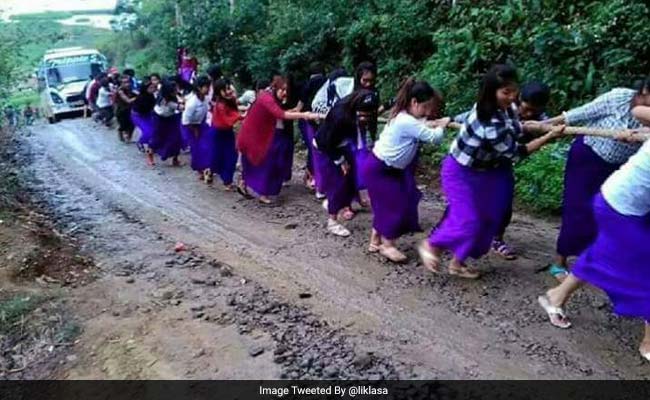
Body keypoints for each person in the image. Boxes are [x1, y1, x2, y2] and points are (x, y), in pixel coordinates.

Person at [419, 64, 565, 279]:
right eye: (506, 92)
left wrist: (541, 125)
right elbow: (516, 153)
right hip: (460, 172)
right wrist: (547, 138)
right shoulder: (488, 121)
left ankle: (458, 262)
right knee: (468, 219)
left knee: (489, 218)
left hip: (486, 171)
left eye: (514, 90)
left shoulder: (505, 109)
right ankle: (432, 245)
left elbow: (516, 127)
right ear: (491, 91)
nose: (512, 96)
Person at [537, 105, 650, 362]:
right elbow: (639, 109)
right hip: (619, 205)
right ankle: (648, 343)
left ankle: (556, 296)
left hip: (623, 204)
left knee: (603, 251)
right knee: (645, 269)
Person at [543, 77, 650, 281]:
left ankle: (591, 265)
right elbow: (579, 114)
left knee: (603, 215)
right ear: (644, 90)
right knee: (577, 209)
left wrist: (635, 133)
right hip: (587, 158)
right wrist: (543, 124)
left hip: (620, 169)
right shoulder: (618, 98)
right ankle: (560, 261)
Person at [455, 80, 552, 260]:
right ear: (519, 99)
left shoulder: (542, 119)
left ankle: (497, 238)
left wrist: (544, 131)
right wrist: (451, 120)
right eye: (526, 108)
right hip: (483, 162)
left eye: (534, 111)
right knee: (466, 199)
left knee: (504, 202)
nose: (529, 113)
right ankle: (445, 233)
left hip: (503, 162)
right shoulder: (502, 108)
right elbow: (470, 116)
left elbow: (541, 132)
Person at [362, 78, 450, 262]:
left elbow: (422, 125)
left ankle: (375, 241)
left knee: (390, 202)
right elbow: (434, 138)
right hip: (380, 168)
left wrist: (430, 122)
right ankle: (388, 245)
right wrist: (442, 125)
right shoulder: (405, 121)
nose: (428, 112)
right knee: (395, 205)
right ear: (414, 102)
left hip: (388, 169)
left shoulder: (406, 116)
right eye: (425, 107)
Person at [236, 74, 319, 204]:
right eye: (282, 90)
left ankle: (246, 182)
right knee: (266, 163)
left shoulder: (270, 98)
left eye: (286, 90)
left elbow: (280, 113)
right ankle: (262, 193)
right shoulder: (266, 98)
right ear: (275, 88)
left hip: (263, 135)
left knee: (269, 162)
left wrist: (298, 112)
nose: (284, 93)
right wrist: (303, 114)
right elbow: (281, 114)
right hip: (255, 137)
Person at [313, 89, 379, 237]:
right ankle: (332, 221)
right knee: (338, 183)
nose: (364, 118)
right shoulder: (340, 116)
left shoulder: (354, 113)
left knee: (350, 179)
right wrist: (340, 161)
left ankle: (336, 204)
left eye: (367, 116)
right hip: (327, 149)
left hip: (343, 146)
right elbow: (325, 143)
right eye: (362, 115)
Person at [297, 62, 327, 191]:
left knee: (312, 148)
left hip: (307, 120)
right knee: (322, 149)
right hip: (324, 120)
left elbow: (299, 107)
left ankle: (310, 177)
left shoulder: (307, 85)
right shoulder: (328, 83)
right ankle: (319, 179)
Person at [211, 78, 243, 190]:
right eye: (225, 90)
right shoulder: (220, 105)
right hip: (218, 133)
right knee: (219, 156)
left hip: (227, 132)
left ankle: (227, 180)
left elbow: (234, 112)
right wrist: (241, 116)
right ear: (219, 91)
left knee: (231, 155)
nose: (229, 91)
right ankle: (222, 176)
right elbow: (227, 120)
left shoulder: (229, 100)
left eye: (229, 88)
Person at [181, 75, 214, 183]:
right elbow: (186, 120)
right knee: (196, 148)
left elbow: (209, 107)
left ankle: (207, 168)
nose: (208, 89)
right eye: (206, 87)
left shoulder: (206, 98)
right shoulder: (192, 103)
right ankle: (200, 169)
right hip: (190, 126)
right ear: (199, 88)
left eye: (209, 87)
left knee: (207, 146)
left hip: (202, 124)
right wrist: (194, 130)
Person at [149, 80, 183, 166]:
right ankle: (150, 154)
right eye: (175, 90)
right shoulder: (163, 100)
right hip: (159, 118)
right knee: (157, 137)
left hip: (170, 117)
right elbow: (178, 107)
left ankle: (175, 158)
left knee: (176, 137)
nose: (177, 91)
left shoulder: (174, 96)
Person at [131, 78, 157, 158]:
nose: (153, 89)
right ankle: (140, 142)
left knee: (154, 131)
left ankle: (151, 146)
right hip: (138, 116)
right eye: (150, 88)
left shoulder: (152, 96)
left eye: (153, 87)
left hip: (147, 115)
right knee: (148, 131)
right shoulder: (140, 98)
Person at [115, 74, 138, 142]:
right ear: (121, 83)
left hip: (130, 110)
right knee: (123, 126)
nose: (127, 84)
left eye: (128, 82)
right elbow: (128, 100)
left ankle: (129, 138)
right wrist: (138, 97)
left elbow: (138, 93)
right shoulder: (120, 91)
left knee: (132, 124)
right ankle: (120, 133)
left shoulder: (131, 89)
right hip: (121, 111)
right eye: (124, 82)